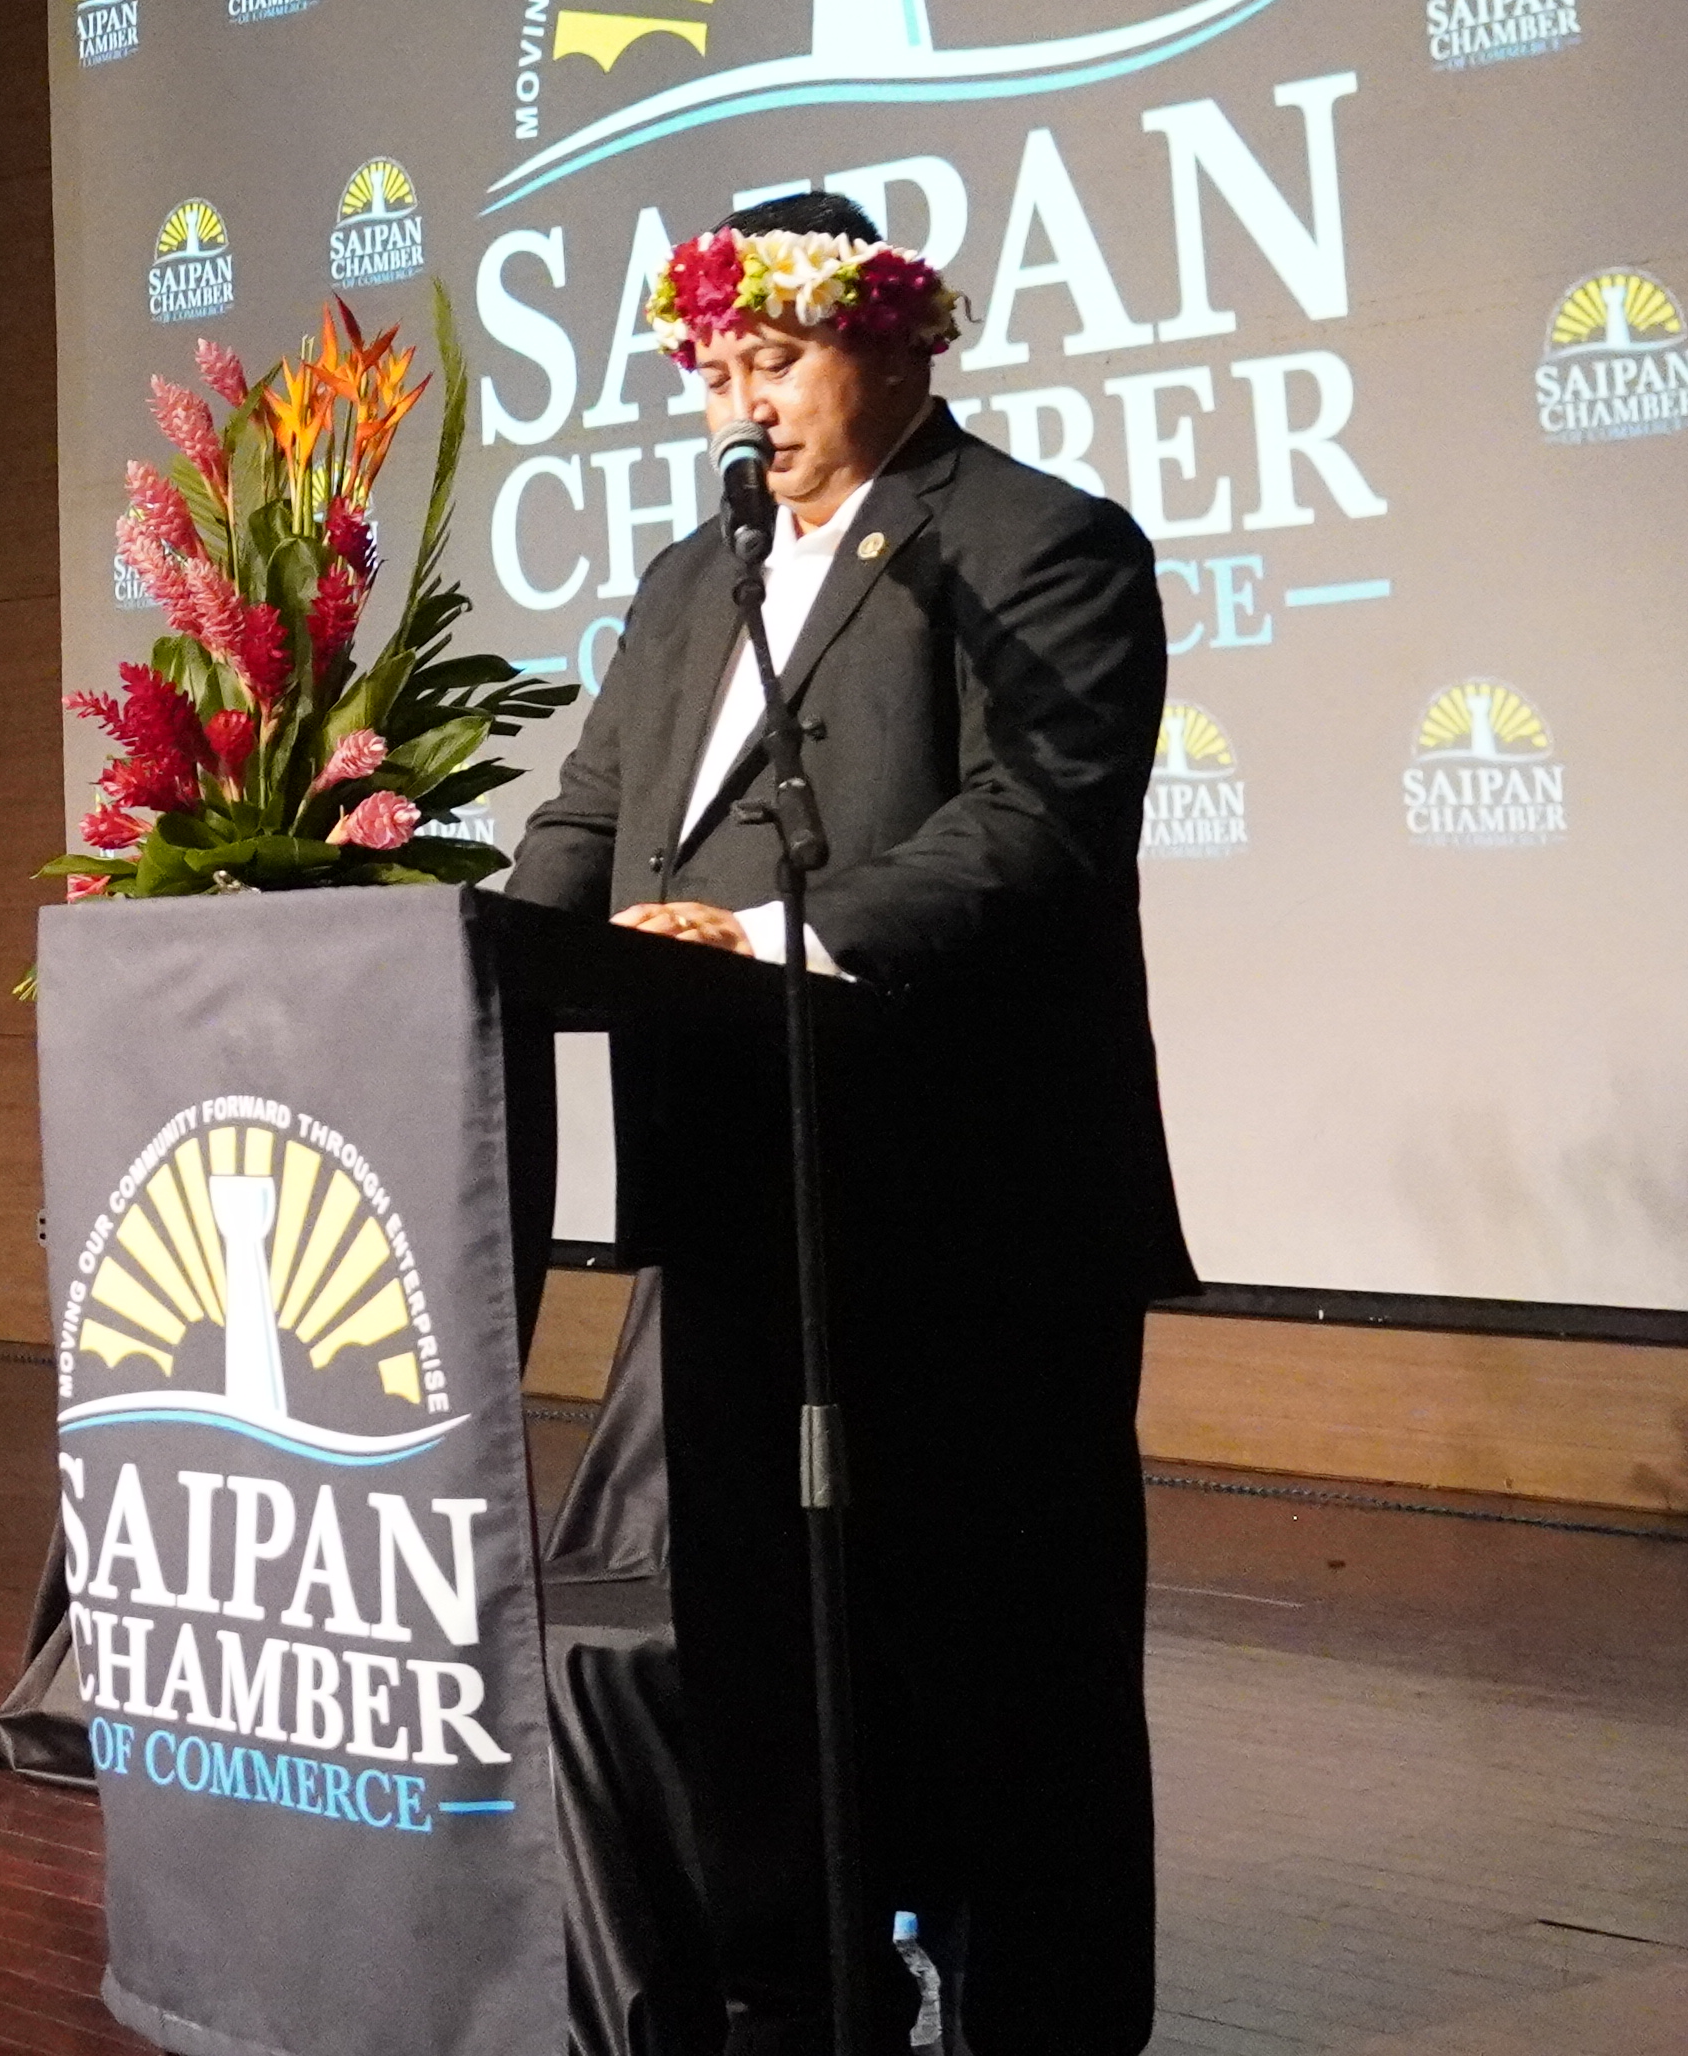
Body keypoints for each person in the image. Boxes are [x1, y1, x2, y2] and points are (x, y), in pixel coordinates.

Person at [504, 188, 1185, 2056]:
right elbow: (587, 827)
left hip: (980, 1210)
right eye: (722, 364)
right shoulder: (678, 584)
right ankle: (796, 1987)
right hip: (740, 1188)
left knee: (1004, 1636)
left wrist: (777, 935)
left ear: (893, 345)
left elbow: (1036, 827)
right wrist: (442, 957)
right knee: (759, 1631)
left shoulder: (1040, 547)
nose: (748, 400)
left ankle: (1042, 2008)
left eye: (778, 357)